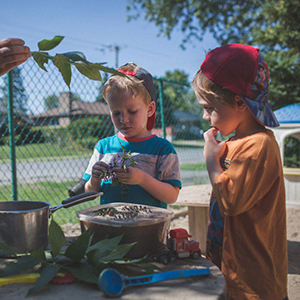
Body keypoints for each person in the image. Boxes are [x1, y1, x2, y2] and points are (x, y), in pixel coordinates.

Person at [191, 44, 288, 300]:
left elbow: (230, 201)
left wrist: (212, 161)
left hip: (254, 285)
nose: (204, 116)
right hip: (231, 276)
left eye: (209, 108)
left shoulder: (259, 146)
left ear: (239, 102)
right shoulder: (234, 143)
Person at [83, 62, 181, 208]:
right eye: (115, 113)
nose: (123, 119)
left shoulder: (162, 149)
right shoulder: (103, 147)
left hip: (148, 227)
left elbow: (172, 196)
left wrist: (142, 179)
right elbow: (89, 192)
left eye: (132, 111)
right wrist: (95, 180)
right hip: (110, 224)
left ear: (150, 109)